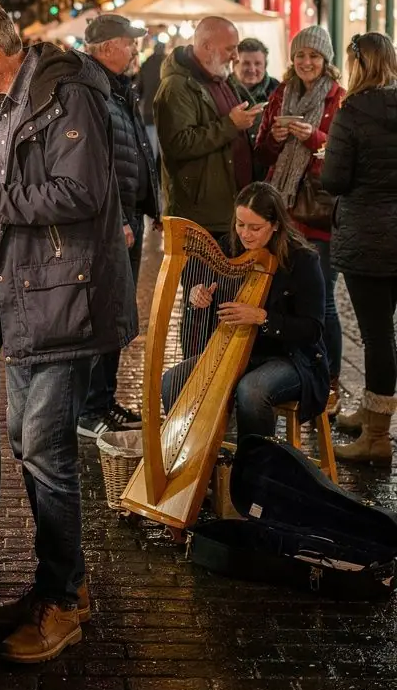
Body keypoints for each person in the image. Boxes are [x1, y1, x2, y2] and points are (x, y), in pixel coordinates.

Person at [0, 0, 137, 664]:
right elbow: (21, 183)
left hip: (65, 296)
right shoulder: (9, 103)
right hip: (28, 294)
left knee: (46, 452)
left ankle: (67, 600)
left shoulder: (67, 95)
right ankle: (54, 586)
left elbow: (78, 195)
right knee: (26, 442)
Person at [161, 182, 329, 440]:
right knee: (173, 381)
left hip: (292, 358)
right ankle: (196, 459)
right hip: (237, 350)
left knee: (251, 391)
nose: (246, 234)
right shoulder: (229, 247)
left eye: (255, 228)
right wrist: (198, 293)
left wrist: (262, 317)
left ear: (275, 225)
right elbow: (196, 278)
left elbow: (313, 329)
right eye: (240, 224)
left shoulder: (303, 260)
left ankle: (256, 470)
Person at [77, 12, 160, 438]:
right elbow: (98, 165)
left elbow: (131, 153)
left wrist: (149, 205)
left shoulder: (115, 87)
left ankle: (104, 400)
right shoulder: (94, 90)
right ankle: (92, 408)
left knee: (116, 313)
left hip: (127, 216)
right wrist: (119, 221)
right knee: (105, 312)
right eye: (129, 43)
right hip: (114, 222)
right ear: (108, 47)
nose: (135, 50)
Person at [254, 26, 344, 407]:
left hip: (318, 213)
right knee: (284, 295)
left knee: (321, 300)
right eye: (300, 56)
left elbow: (341, 156)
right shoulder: (281, 93)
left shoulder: (338, 99)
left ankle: (331, 378)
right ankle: (293, 364)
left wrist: (314, 137)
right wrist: (274, 137)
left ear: (327, 61)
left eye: (314, 56)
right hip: (284, 212)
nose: (307, 63)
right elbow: (261, 152)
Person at [322, 32, 397, 464]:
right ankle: (371, 412)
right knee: (385, 333)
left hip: (367, 236)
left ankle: (377, 436)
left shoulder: (351, 112)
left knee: (377, 335)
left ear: (357, 65)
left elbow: (334, 179)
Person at [153, 17, 262, 239]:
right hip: (201, 216)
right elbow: (178, 144)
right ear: (206, 46)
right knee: (199, 275)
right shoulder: (176, 86)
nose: (236, 57)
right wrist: (231, 125)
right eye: (230, 49)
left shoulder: (223, 78)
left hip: (231, 209)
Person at [135, 38, 164, 157]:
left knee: (151, 148)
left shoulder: (147, 63)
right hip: (165, 111)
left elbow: (139, 88)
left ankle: (153, 174)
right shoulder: (167, 64)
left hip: (148, 110)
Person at [234, 37, 279, 104]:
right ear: (234, 65)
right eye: (246, 63)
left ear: (265, 66)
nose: (252, 69)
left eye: (257, 64)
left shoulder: (277, 88)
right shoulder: (223, 88)